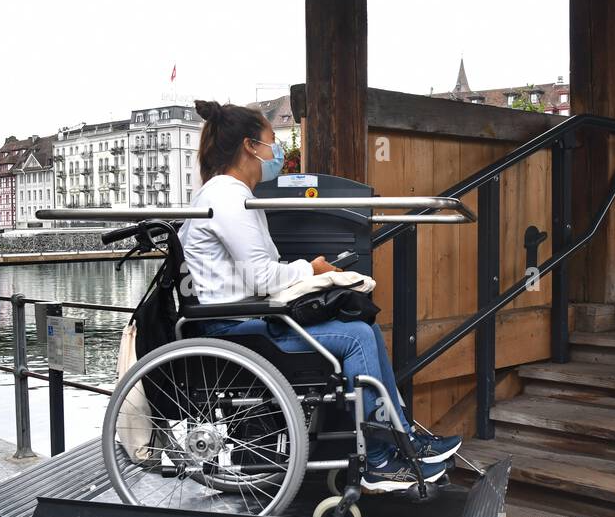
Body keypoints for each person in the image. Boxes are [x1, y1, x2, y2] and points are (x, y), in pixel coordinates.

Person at [178, 101, 461, 492]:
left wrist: (310, 270)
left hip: (247, 317)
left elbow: (259, 273)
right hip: (236, 327)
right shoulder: (228, 198)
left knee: (361, 326)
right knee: (357, 336)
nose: (275, 153)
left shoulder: (229, 194)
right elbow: (262, 276)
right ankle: (379, 459)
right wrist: (313, 269)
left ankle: (400, 437)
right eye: (271, 143)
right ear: (249, 147)